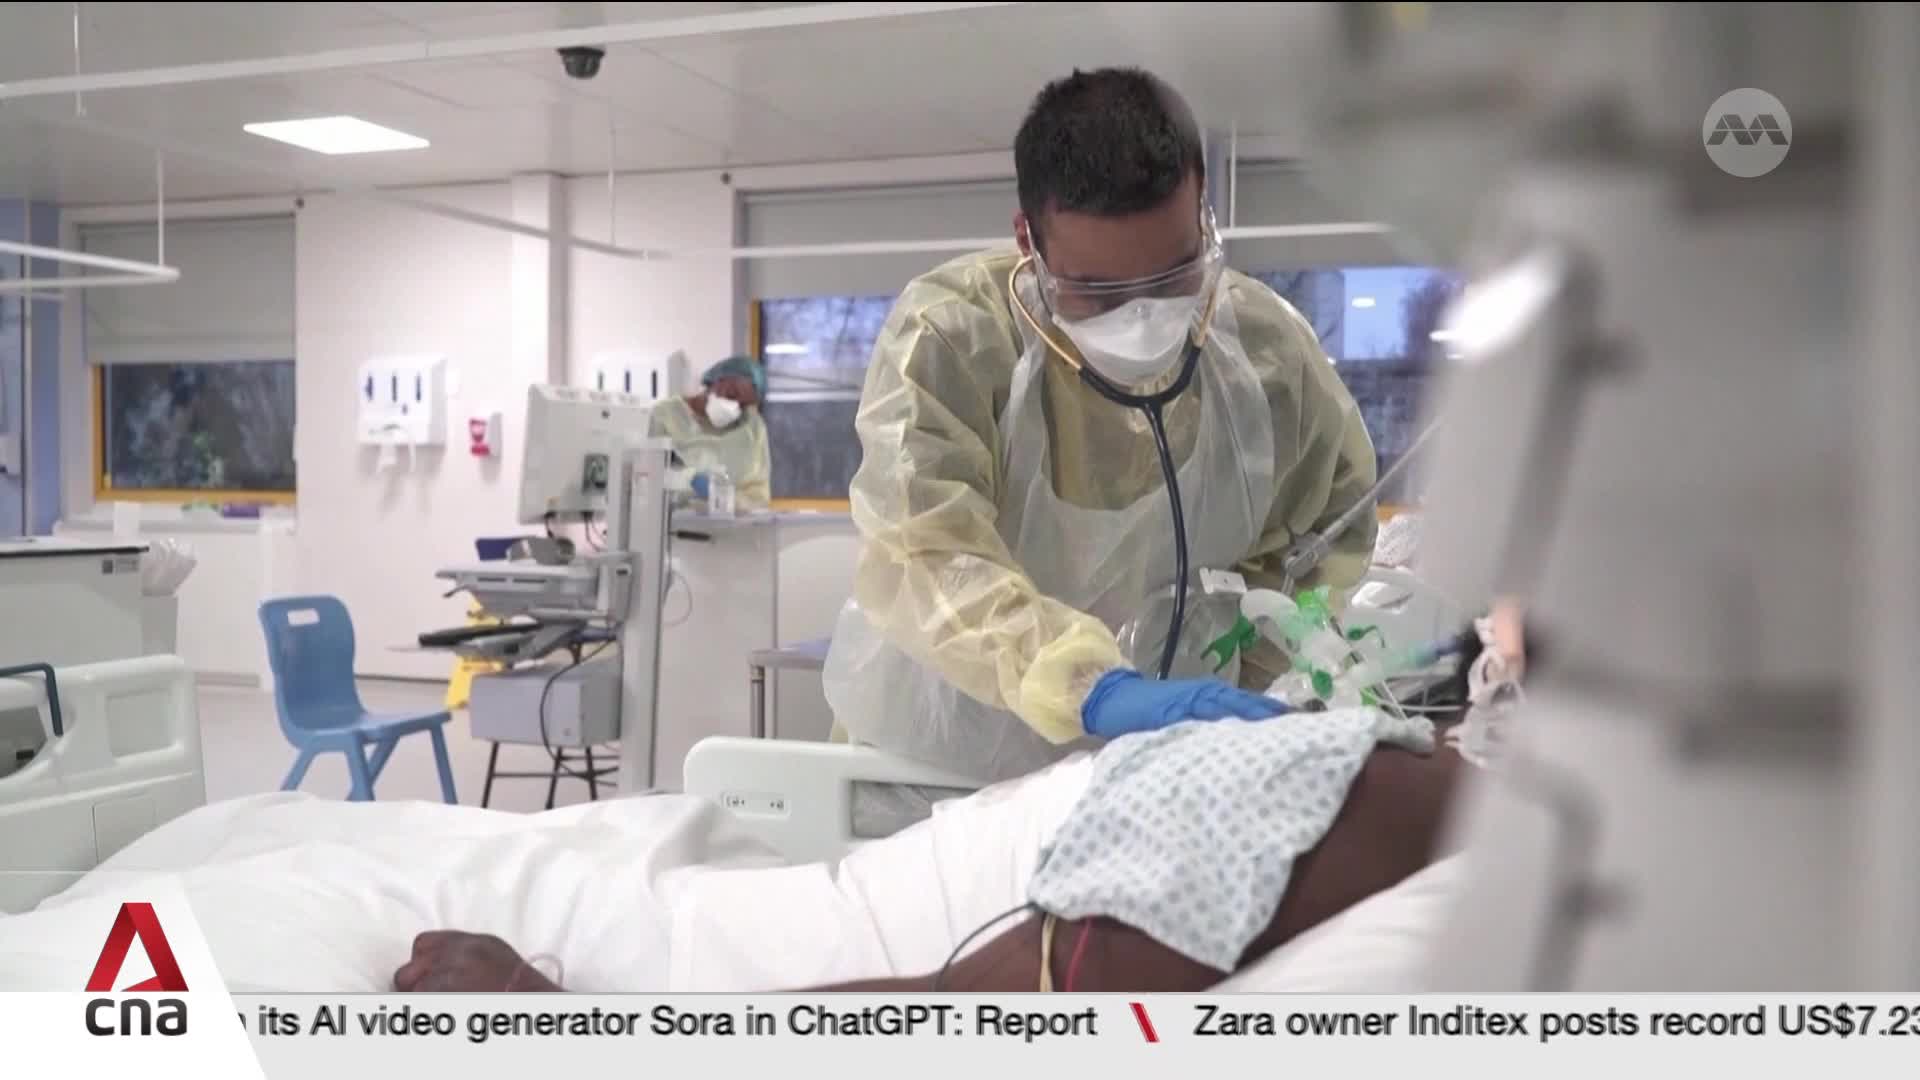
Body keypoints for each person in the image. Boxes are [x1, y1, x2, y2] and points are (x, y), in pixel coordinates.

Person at [821, 68, 1380, 800]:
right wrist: (1085, 683)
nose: (1144, 314)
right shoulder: (953, 334)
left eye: (1178, 272)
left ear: (1203, 203)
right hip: (946, 767)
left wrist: (1267, 686)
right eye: (1098, 291)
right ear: (1028, 238)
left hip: (1169, 767)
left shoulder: (1268, 354)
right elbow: (925, 554)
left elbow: (1326, 543)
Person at [393, 738, 1462, 993]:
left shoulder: (1374, 819)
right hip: (750, 903)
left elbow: (952, 1014)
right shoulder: (1399, 796)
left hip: (696, 949)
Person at [648, 356, 772, 512]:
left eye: (744, 405)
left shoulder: (752, 427)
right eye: (732, 394)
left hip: (733, 529)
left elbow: (758, 496)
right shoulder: (666, 415)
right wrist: (688, 480)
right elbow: (649, 474)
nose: (734, 406)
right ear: (715, 380)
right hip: (676, 526)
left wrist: (729, 501)